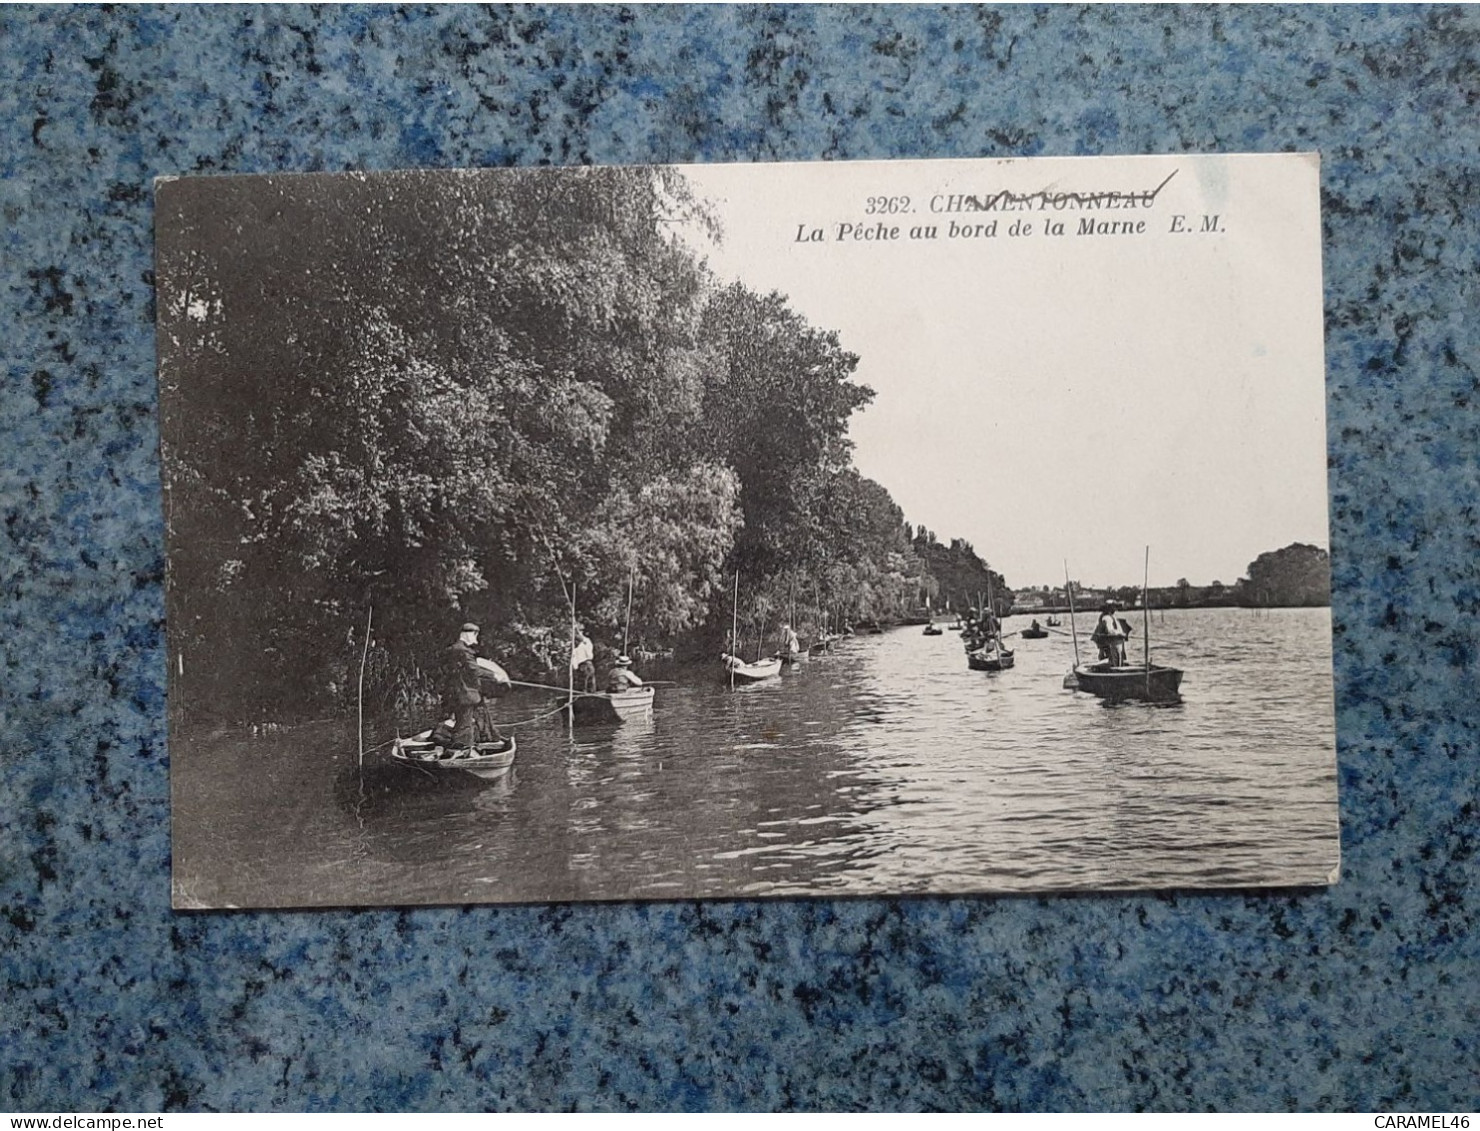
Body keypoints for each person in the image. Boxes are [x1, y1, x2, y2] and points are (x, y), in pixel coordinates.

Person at [438, 622, 504, 751]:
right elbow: (473, 670)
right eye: (475, 635)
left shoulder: (452, 649)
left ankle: (486, 741)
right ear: (468, 634)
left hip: (459, 693)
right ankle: (461, 751)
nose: (476, 639)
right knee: (464, 725)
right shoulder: (462, 651)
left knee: (482, 716)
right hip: (465, 694)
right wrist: (494, 676)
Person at [1091, 602, 1133, 666]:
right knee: (1114, 658)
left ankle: (1115, 667)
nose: (1115, 609)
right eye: (1113, 607)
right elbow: (1110, 630)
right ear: (1109, 608)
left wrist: (1122, 633)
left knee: (1117, 657)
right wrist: (1120, 634)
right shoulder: (1106, 618)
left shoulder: (1112, 617)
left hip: (1115, 641)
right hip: (1110, 642)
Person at [570, 623, 595, 693]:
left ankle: (585, 696)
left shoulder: (576, 647)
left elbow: (574, 663)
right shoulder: (587, 642)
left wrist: (575, 668)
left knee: (583, 686)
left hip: (583, 666)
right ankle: (591, 696)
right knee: (591, 685)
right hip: (590, 665)